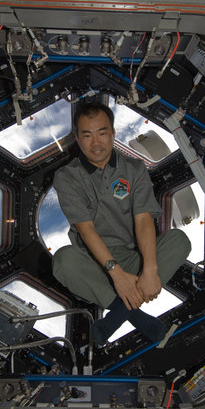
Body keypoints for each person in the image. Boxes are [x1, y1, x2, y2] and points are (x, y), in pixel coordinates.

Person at [52, 102, 191, 345]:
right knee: (64, 260)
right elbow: (86, 230)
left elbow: (143, 219)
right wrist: (116, 274)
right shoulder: (67, 177)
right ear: (77, 138)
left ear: (113, 133)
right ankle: (132, 313)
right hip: (95, 263)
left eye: (102, 133)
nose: (96, 143)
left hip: (132, 255)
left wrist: (149, 270)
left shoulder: (134, 168)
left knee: (179, 241)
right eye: (87, 135)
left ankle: (117, 315)